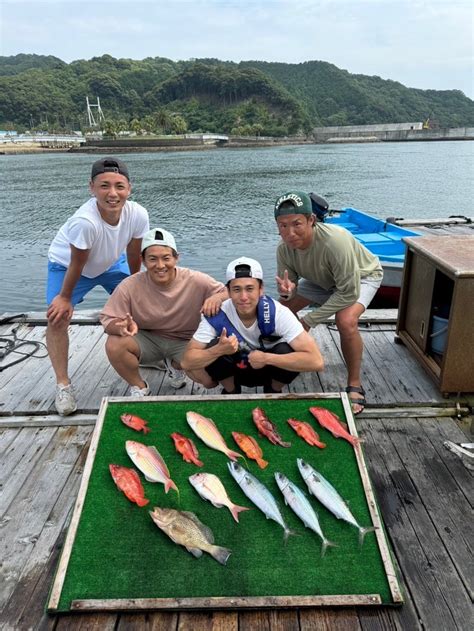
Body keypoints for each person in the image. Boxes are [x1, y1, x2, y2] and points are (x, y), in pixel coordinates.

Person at [46, 157, 149, 415]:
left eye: (119, 186)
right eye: (104, 186)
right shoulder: (85, 221)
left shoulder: (137, 213)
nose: (112, 193)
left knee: (146, 302)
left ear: (129, 188)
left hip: (111, 263)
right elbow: (78, 263)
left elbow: (134, 252)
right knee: (57, 317)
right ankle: (63, 385)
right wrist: (64, 298)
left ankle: (157, 357)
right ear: (91, 187)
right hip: (68, 266)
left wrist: (135, 288)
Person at [273, 190, 383, 414]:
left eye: (296, 224)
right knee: (281, 310)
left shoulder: (335, 241)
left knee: (346, 320)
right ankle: (299, 355)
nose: (290, 232)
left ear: (311, 220)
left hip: (361, 277)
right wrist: (286, 293)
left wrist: (309, 321)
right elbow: (289, 289)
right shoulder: (284, 250)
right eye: (283, 225)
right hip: (322, 280)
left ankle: (354, 383)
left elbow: (348, 293)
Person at [100, 228, 228, 395]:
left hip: (186, 340)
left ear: (176, 258)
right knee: (114, 344)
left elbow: (230, 291)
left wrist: (217, 298)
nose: (160, 266)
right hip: (149, 339)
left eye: (166, 258)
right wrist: (120, 326)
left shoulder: (196, 279)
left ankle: (174, 364)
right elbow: (108, 319)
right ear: (143, 261)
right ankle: (139, 387)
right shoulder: (129, 285)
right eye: (152, 259)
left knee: (209, 382)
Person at [181, 257, 324, 394]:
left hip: (270, 368)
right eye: (237, 289)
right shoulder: (216, 315)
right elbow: (186, 362)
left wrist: (267, 358)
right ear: (228, 291)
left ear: (261, 289)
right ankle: (231, 391)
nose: (243, 297)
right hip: (237, 369)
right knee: (213, 345)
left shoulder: (279, 313)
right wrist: (218, 350)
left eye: (249, 289)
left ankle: (274, 389)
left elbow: (316, 361)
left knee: (286, 349)